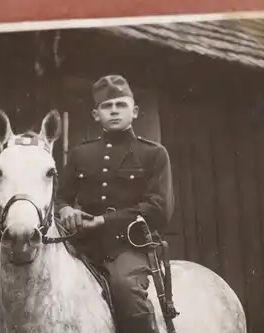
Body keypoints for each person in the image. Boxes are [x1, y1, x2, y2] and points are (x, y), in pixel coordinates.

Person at [56, 74, 175, 333]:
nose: (114, 111)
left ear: (135, 112)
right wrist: (65, 209)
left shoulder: (153, 154)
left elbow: (158, 208)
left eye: (120, 105)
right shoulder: (80, 154)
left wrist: (104, 220)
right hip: (82, 245)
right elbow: (61, 196)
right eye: (107, 107)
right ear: (96, 114)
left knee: (125, 289)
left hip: (129, 246)